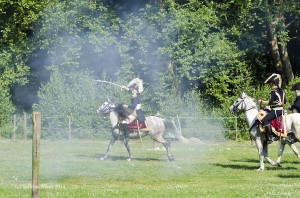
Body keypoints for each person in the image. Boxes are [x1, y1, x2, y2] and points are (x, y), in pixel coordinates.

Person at [258, 73, 286, 144]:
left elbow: (269, 102)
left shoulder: (273, 92)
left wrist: (261, 102)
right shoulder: (282, 91)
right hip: (281, 110)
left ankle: (270, 137)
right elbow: (284, 101)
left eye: (271, 83)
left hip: (276, 111)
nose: (270, 85)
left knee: (264, 120)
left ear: (274, 83)